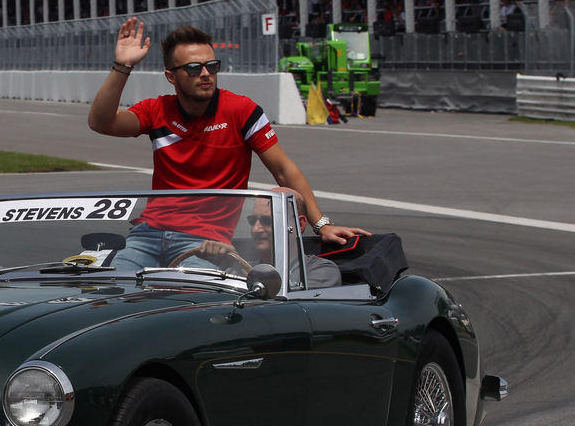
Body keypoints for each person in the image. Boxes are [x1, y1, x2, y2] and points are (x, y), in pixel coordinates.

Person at [88, 18, 368, 270]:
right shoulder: (155, 110)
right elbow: (100, 123)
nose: (206, 73)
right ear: (171, 76)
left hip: (206, 242)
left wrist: (322, 225)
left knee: (193, 301)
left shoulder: (242, 111)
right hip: (147, 233)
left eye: (212, 65)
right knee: (116, 292)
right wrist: (123, 66)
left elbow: (284, 170)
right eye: (194, 68)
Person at [202, 188, 341, 289]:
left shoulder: (321, 272)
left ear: (299, 224)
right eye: (252, 220)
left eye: (268, 221)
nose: (256, 229)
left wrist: (240, 267)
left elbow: (282, 308)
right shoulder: (235, 269)